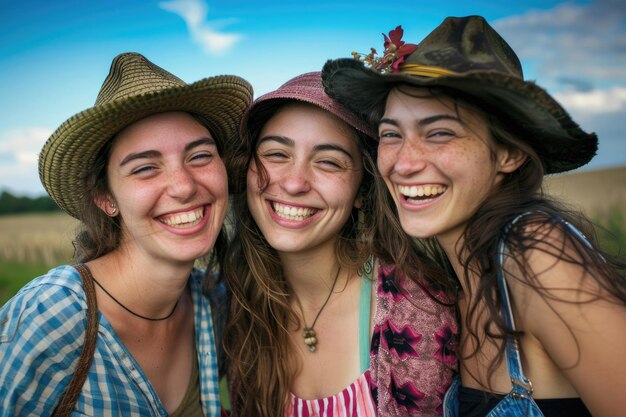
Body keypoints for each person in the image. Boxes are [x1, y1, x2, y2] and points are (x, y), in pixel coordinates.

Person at [322, 15, 626, 417]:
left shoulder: (534, 253)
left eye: (440, 132)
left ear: (508, 153)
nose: (404, 163)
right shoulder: (459, 279)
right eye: (391, 134)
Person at [0, 52, 252, 416]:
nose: (183, 186)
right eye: (146, 168)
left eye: (199, 156)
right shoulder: (54, 315)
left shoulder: (214, 305)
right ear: (105, 197)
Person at [223, 71, 457, 417]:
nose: (294, 183)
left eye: (328, 161)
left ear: (362, 191)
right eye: (276, 154)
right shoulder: (230, 304)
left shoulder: (415, 308)